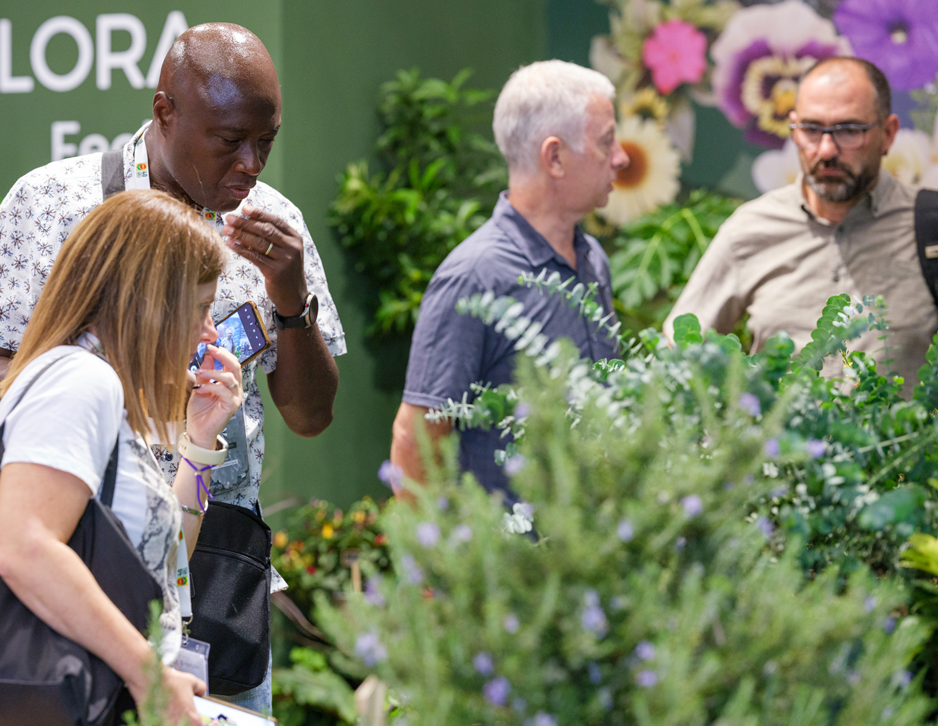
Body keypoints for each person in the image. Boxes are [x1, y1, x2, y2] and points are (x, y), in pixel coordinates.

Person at [0, 23, 346, 720]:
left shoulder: (275, 223)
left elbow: (310, 417)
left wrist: (291, 300)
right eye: (229, 142)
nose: (251, 164)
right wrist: (114, 385)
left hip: (218, 559)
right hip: (81, 555)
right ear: (165, 113)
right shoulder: (54, 204)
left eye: (266, 142)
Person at [0, 190, 242, 726]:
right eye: (201, 307)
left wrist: (199, 445)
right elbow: (23, 547)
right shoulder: (79, 380)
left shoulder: (98, 387)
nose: (208, 330)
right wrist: (151, 674)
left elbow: (159, 555)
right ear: (151, 300)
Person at [390, 60, 629, 499]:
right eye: (606, 141)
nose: (622, 157)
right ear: (554, 157)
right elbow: (416, 440)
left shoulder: (592, 258)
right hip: (512, 560)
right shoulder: (473, 276)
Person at [667, 57, 938, 392]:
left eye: (849, 130)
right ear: (793, 128)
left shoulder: (929, 226)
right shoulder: (751, 230)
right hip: (782, 444)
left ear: (888, 134)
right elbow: (676, 356)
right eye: (811, 129)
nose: (826, 150)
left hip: (903, 442)